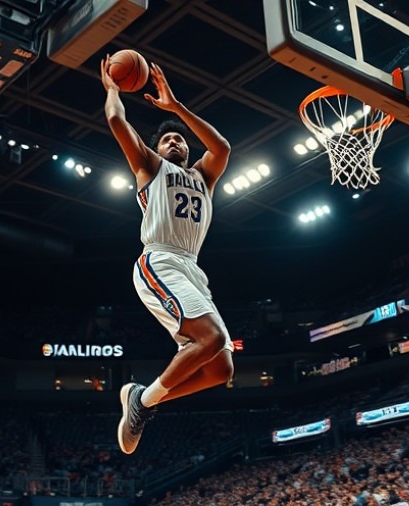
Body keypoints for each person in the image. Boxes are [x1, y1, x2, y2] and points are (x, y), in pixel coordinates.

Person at [100, 56, 235, 455]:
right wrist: (111, 89)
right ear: (157, 149)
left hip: (192, 268)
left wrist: (175, 106)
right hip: (159, 260)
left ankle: (143, 400)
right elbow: (116, 123)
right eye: (166, 139)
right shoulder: (149, 166)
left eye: (179, 139)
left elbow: (222, 146)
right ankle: (142, 403)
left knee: (221, 369)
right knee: (209, 340)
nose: (174, 141)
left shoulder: (203, 176)